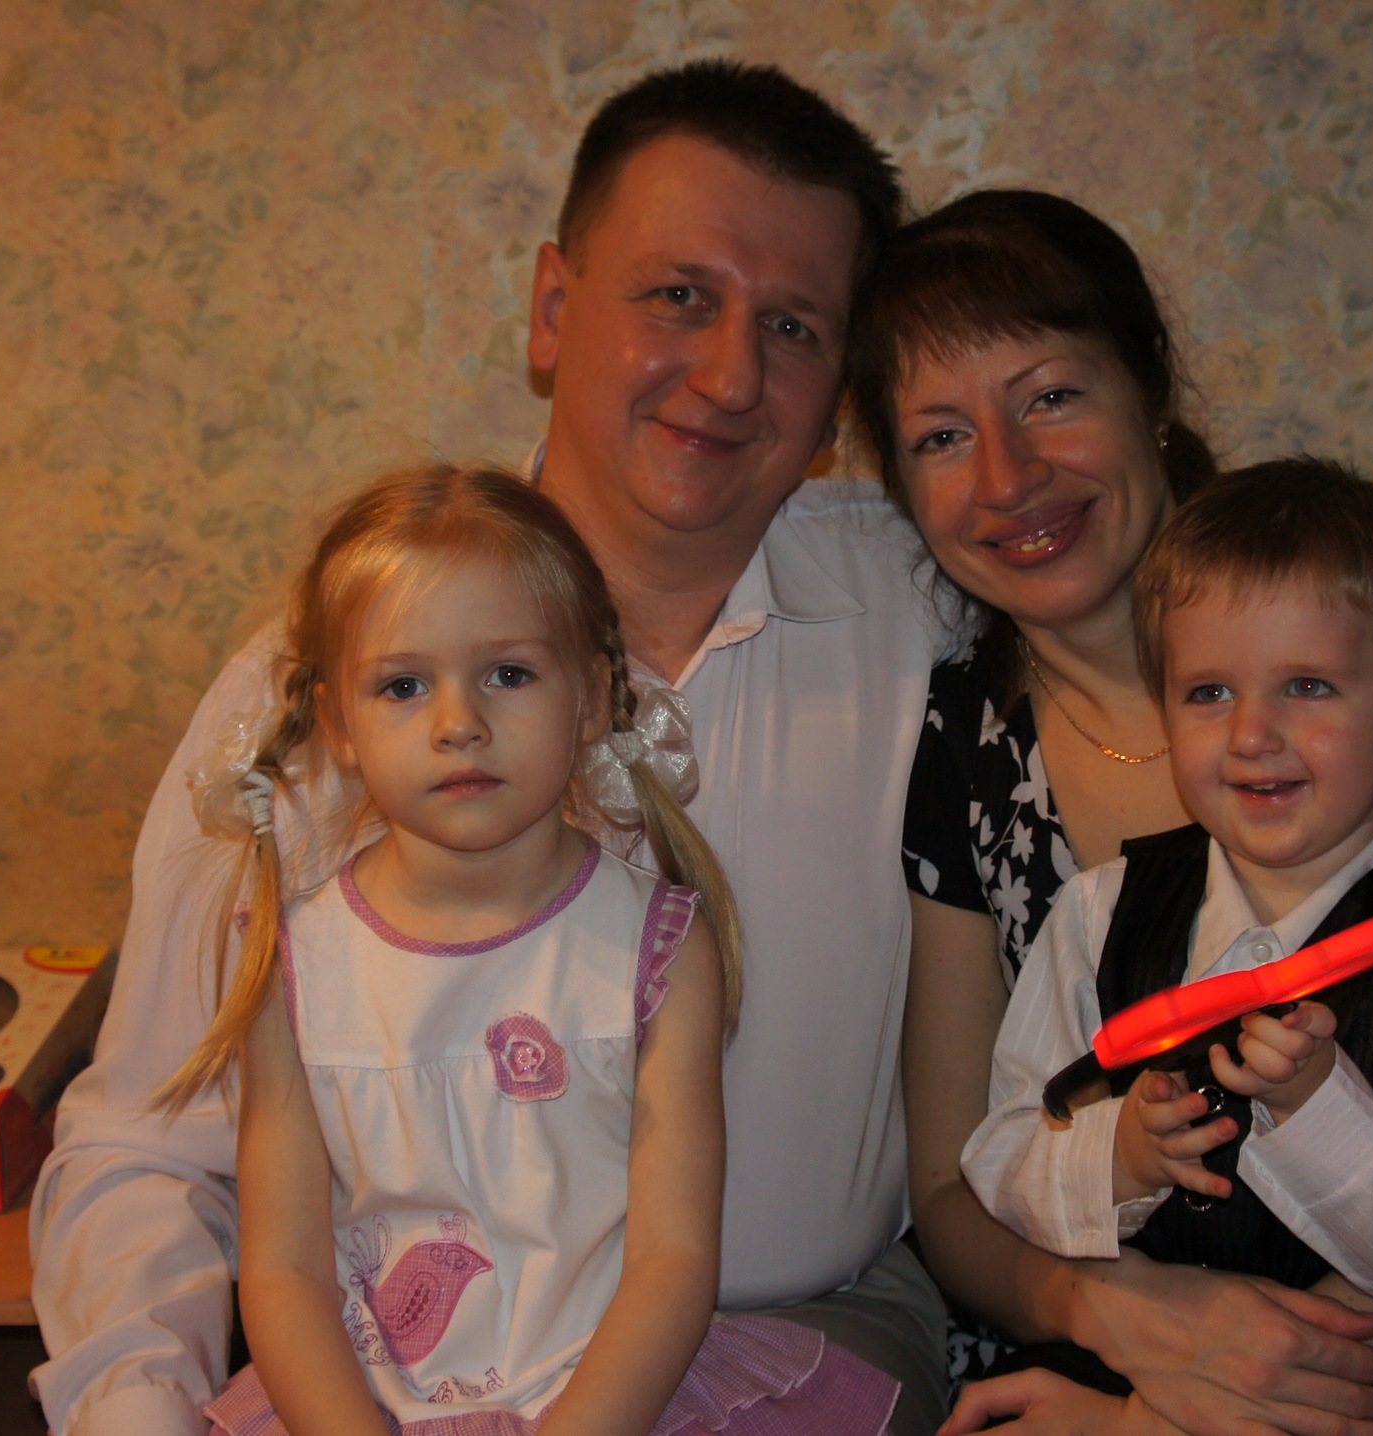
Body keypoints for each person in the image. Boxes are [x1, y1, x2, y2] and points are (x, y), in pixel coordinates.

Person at [30, 63, 1373, 1436]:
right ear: (553, 307)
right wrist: (137, 1410)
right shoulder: (336, 683)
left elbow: (1227, 591)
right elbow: (147, 1136)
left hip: (810, 1339)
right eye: (677, 296)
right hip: (408, 1363)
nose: (730, 376)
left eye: (791, 327)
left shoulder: (909, 594)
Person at [848, 190, 1373, 1434]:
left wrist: (1227, 1409)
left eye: (1050, 395)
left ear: (1151, 387)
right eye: (938, 436)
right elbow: (953, 1183)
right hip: (1090, 1340)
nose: (1007, 476)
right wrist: (1123, 1323)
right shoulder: (957, 749)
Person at [169, 464, 897, 1435]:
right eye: (403, 685)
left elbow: (674, 1259)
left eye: (508, 674)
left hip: (615, 1402)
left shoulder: (656, 950)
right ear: (338, 724)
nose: (459, 723)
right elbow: (283, 1268)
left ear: (590, 697)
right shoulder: (294, 962)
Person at [951, 459, 1373, 1435]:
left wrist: (1317, 1107)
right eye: (1210, 691)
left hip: (1359, 1396)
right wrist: (1118, 1157)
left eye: (1307, 685)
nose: (1254, 733)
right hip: (1121, 1368)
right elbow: (1001, 1156)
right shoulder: (1099, 914)